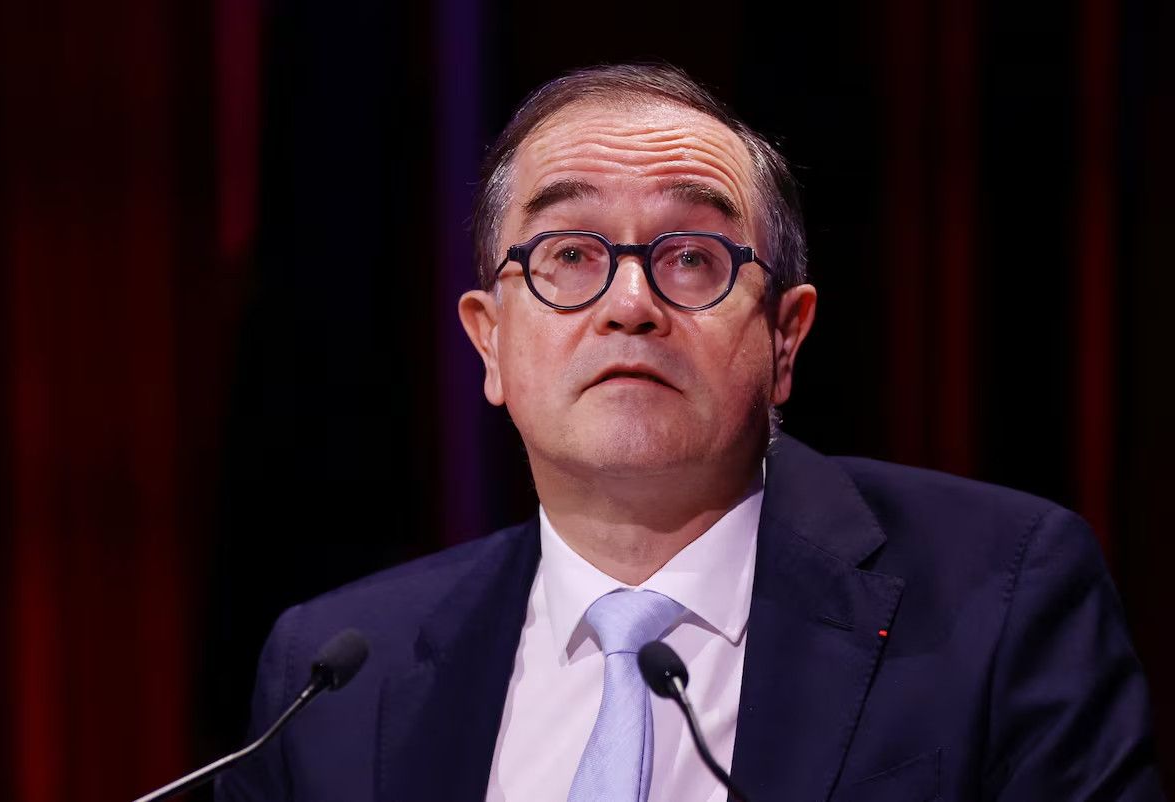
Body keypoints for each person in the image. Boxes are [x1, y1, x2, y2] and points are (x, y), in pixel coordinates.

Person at [216, 63, 1165, 801]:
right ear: (489, 342)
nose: (630, 303)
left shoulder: (1001, 595)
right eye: (570, 253)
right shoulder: (335, 678)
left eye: (693, 257)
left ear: (785, 337)